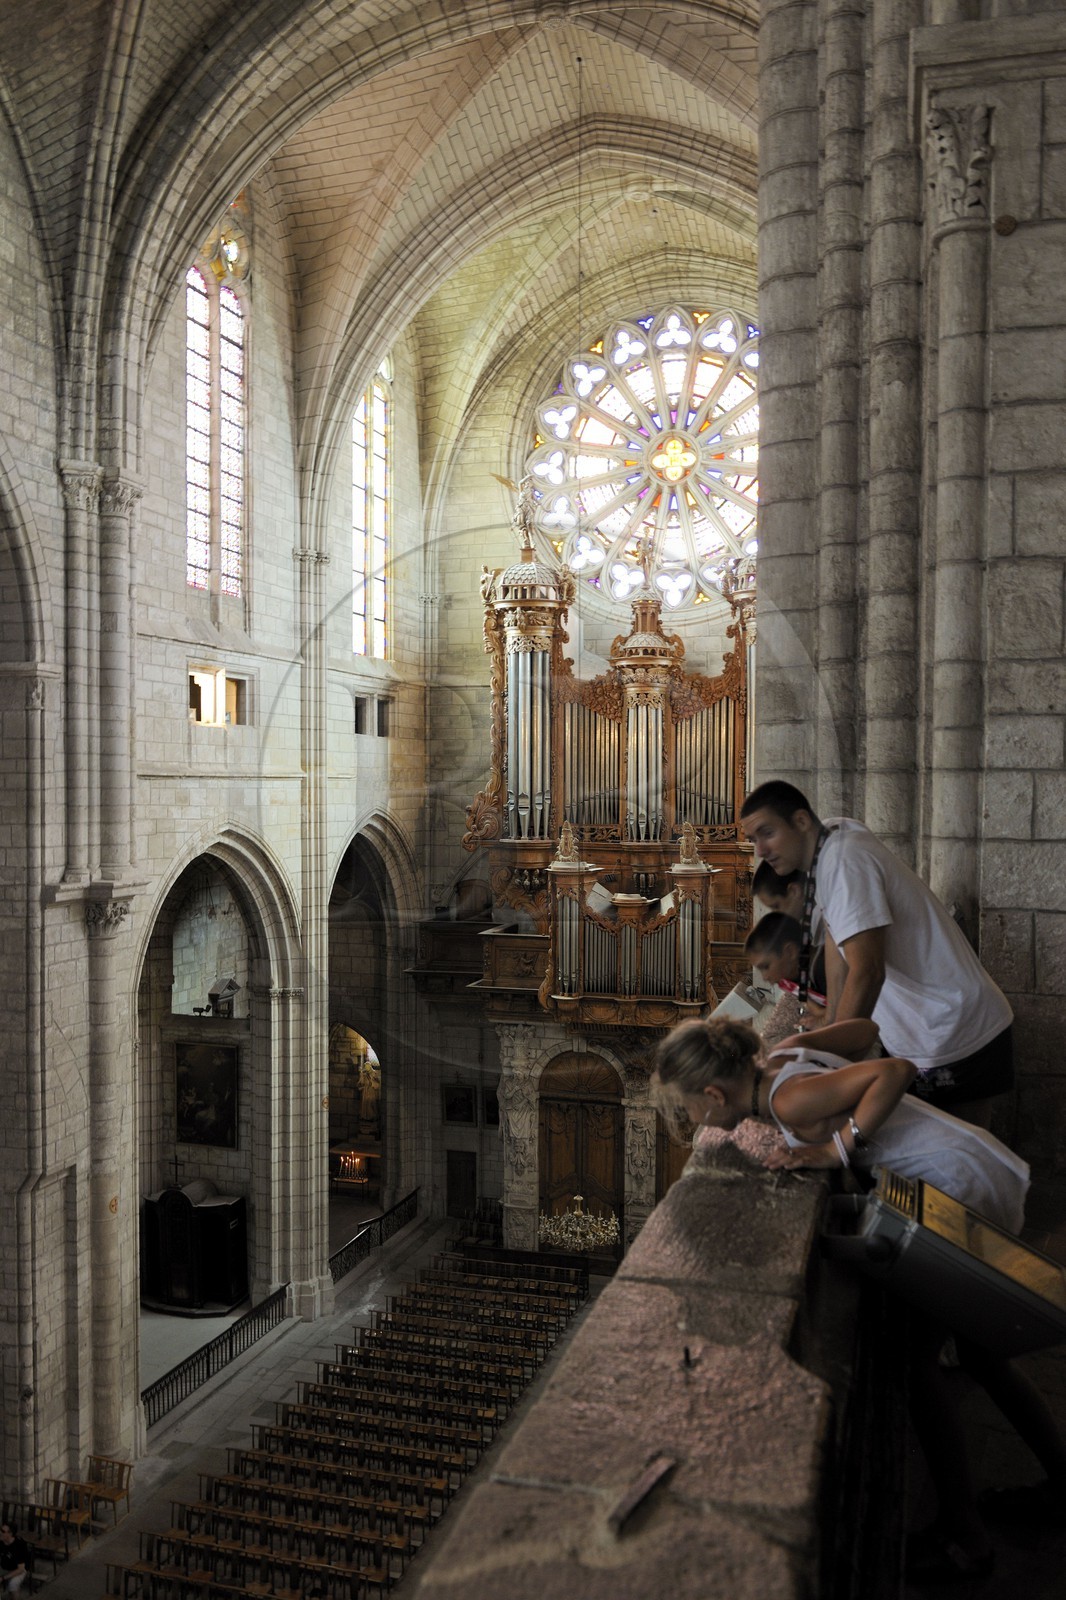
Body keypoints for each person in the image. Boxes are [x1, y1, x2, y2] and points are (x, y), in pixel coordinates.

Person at [650, 1016, 1065, 1582]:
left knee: (921, 1363)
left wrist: (837, 1150)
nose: (695, 1121)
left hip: (955, 1182)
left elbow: (894, 1069)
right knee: (981, 1355)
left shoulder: (789, 1099)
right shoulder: (781, 1057)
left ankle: (965, 1538)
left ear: (714, 1094)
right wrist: (807, 1043)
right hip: (966, 1166)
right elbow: (865, 1028)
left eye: (691, 1109)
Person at [740, 780, 1013, 1126]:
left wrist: (830, 1064)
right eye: (753, 840)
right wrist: (830, 1026)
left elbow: (867, 970)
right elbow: (840, 960)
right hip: (928, 1028)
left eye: (767, 833)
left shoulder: (843, 861)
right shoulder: (830, 846)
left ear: (801, 821)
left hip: (953, 1029)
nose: (760, 850)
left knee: (964, 1159)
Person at [745, 912, 827, 1015]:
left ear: (790, 952)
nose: (765, 977)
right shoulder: (804, 974)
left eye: (766, 967)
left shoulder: (823, 968)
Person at [0, 1522, 29, 1594]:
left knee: (13, 1584)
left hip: (18, 1569)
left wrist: (3, 1578)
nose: (0, 1532)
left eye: (3, 1531)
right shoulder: (1, 1541)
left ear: (10, 1534)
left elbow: (21, 1569)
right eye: (0, 1530)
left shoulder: (19, 1545)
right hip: (4, 1566)